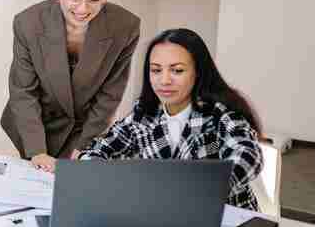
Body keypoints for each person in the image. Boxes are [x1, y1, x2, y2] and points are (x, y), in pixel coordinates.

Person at [77, 28, 264, 210]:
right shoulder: (144, 113)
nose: (164, 80)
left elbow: (248, 155)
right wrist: (94, 171)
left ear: (198, 72)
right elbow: (101, 148)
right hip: (165, 218)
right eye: (156, 70)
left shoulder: (220, 113)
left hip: (225, 221)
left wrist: (205, 190)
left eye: (177, 70)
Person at [0, 0, 140, 172]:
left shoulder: (126, 26)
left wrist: (85, 145)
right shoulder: (28, 23)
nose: (83, 9)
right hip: (35, 124)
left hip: (85, 125)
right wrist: (37, 151)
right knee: (38, 187)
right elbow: (23, 91)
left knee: (77, 186)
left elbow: (111, 94)